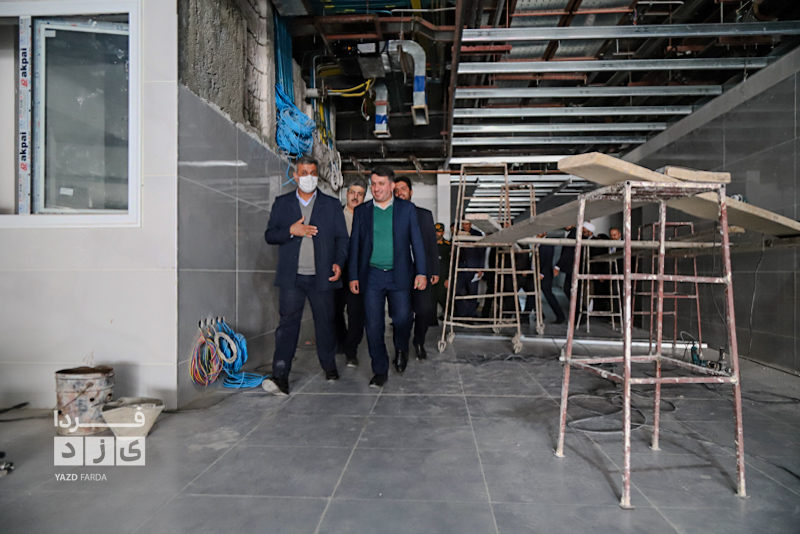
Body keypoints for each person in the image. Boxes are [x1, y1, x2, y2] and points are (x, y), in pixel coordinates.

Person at [262, 156, 349, 395]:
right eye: (304, 173)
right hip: (292, 278)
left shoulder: (331, 205)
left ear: (317, 176)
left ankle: (329, 365)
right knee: (287, 326)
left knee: (326, 324)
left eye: (312, 173)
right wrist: (291, 230)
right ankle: (280, 375)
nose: (308, 177)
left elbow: (342, 239)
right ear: (295, 176)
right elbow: (270, 235)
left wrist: (338, 263)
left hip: (322, 277)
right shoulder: (282, 204)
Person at [348, 167, 427, 388]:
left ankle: (401, 348)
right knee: (373, 326)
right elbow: (355, 245)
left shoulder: (406, 209)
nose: (376, 188)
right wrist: (353, 275)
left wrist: (421, 272)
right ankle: (379, 370)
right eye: (373, 184)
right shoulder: (362, 211)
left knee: (402, 319)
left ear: (391, 186)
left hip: (399, 274)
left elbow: (417, 242)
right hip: (371, 275)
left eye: (381, 184)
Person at [393, 177, 438, 360]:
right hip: (399, 272)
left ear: (411, 192)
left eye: (403, 189)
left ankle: (419, 341)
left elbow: (432, 245)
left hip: (422, 271)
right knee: (401, 313)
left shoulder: (424, 215)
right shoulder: (389, 215)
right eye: (396, 190)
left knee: (424, 309)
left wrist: (434, 270)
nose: (399, 193)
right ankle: (400, 348)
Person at [334, 179, 367, 367]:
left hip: (359, 273)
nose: (355, 196)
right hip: (337, 271)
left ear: (364, 196)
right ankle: (342, 341)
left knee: (356, 313)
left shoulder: (368, 217)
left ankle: (351, 350)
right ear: (346, 194)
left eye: (360, 193)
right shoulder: (335, 215)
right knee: (334, 310)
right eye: (352, 192)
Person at [454, 220, 484, 318]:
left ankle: (471, 315)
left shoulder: (477, 234)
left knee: (472, 292)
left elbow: (481, 252)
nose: (465, 226)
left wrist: (480, 268)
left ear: (470, 224)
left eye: (466, 224)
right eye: (463, 224)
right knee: (458, 291)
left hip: (473, 267)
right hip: (460, 267)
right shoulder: (458, 233)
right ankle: (462, 314)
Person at [535, 232, 566, 324]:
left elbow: (548, 260)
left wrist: (542, 273)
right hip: (537, 273)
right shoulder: (537, 243)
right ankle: (539, 314)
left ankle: (560, 316)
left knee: (548, 295)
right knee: (533, 294)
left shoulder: (547, 243)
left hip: (545, 274)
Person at [433, 223, 451, 319]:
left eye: (439, 232)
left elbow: (451, 263)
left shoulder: (447, 245)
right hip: (431, 275)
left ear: (443, 232)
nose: (436, 234)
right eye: (435, 231)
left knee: (441, 296)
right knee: (431, 299)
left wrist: (448, 278)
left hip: (443, 276)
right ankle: (432, 320)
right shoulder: (429, 244)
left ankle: (452, 313)